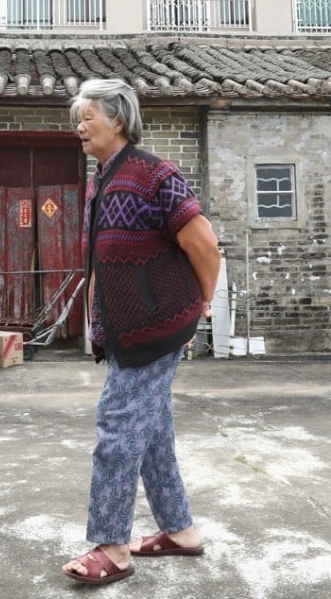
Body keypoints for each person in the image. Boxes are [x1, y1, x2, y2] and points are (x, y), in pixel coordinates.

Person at [61, 78, 220, 585]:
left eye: (88, 117)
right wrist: (96, 323)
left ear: (119, 120)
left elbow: (204, 244)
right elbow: (100, 262)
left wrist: (204, 302)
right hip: (124, 329)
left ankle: (112, 546)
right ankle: (180, 531)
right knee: (151, 432)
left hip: (156, 326)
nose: (79, 127)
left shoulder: (156, 175)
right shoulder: (100, 179)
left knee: (117, 428)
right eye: (76, 119)